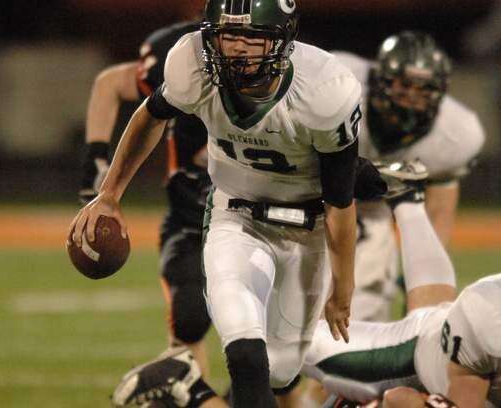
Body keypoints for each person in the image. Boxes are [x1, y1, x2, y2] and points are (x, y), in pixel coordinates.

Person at [71, 0, 365, 406]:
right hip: (235, 217)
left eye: (252, 36)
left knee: (280, 373)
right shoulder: (191, 62)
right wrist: (110, 194)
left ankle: (185, 384)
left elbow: (340, 203)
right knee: (245, 354)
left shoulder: (325, 90)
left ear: (282, 40)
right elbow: (150, 115)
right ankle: (193, 380)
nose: (238, 47)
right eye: (229, 35)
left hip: (306, 228)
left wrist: (343, 286)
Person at [140, 160, 501, 408]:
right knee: (281, 353)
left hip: (440, 342)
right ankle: (187, 384)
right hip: (405, 360)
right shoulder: (491, 321)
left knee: (434, 316)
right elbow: (401, 399)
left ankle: (408, 201)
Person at [78, 20, 216, 387]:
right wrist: (98, 166)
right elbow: (111, 84)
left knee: (275, 354)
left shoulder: (290, 71)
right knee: (188, 320)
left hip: (260, 219)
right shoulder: (181, 53)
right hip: (192, 216)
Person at [329, 31, 485, 323]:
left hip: (371, 213)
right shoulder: (339, 86)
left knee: (361, 310)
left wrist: (420, 280)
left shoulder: (455, 134)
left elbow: (439, 208)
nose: (412, 97)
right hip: (309, 194)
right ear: (380, 79)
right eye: (404, 84)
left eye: (425, 89)